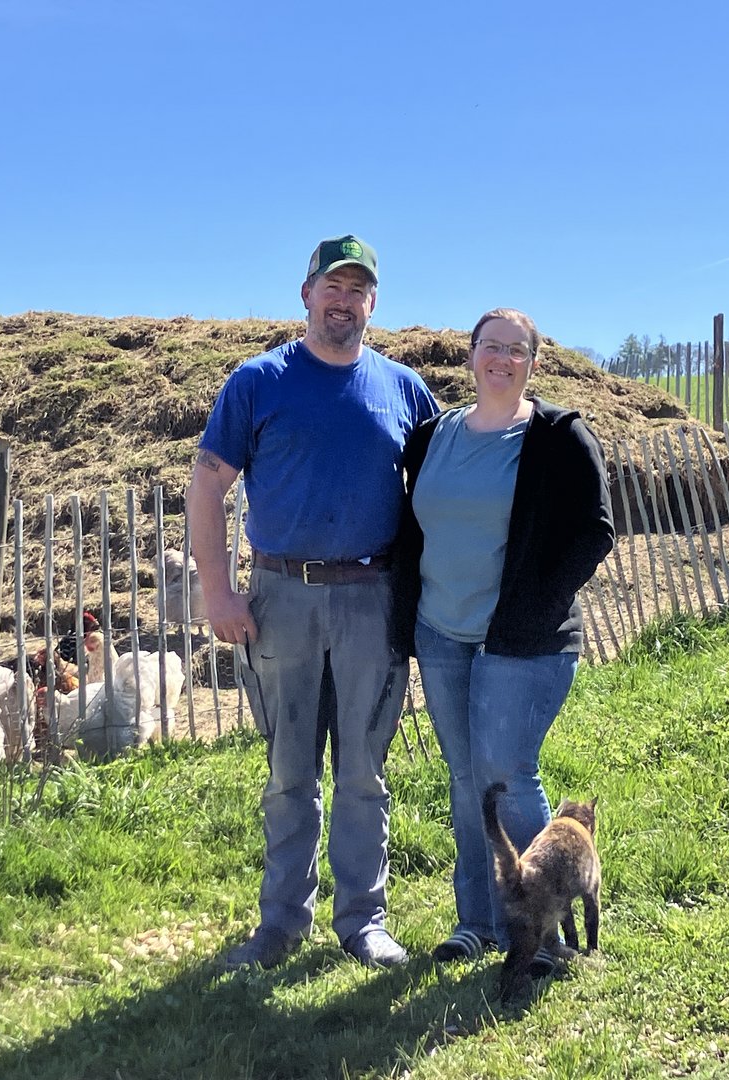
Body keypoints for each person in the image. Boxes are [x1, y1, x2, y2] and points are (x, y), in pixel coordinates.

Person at [186, 235, 438, 970]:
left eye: (358, 290)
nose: (343, 301)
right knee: (289, 773)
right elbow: (207, 486)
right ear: (306, 294)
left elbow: (438, 492)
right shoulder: (258, 382)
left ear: (373, 304)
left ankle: (364, 921)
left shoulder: (405, 390)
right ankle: (281, 925)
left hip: (372, 600)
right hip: (282, 599)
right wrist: (217, 590)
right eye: (333, 286)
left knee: (363, 772)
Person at [395, 307, 615, 967]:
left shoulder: (558, 437)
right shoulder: (432, 437)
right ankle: (481, 922)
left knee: (507, 775)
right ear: (470, 355)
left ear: (534, 363)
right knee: (467, 780)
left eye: (516, 350)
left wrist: (538, 603)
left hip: (523, 641)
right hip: (442, 631)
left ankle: (542, 932)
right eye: (490, 346)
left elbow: (595, 531)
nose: (502, 359)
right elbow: (411, 526)